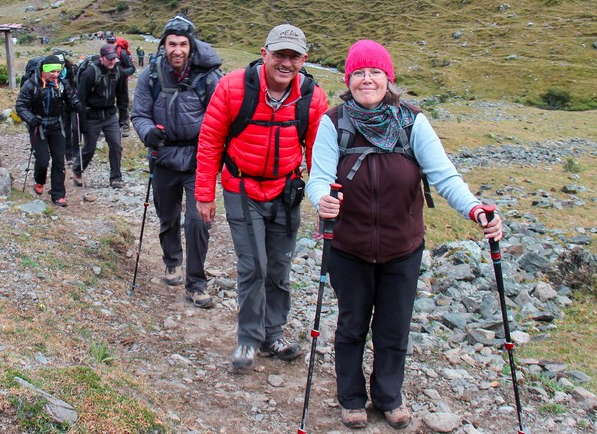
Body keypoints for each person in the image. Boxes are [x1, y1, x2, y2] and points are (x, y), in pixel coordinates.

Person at [305, 40, 503, 430]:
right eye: (359, 72)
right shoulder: (334, 123)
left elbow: (445, 176)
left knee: (394, 326)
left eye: (374, 72)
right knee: (351, 324)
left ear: (388, 78)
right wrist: (323, 201)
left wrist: (475, 209)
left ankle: (389, 395)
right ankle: (351, 397)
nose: (367, 79)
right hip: (348, 246)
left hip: (402, 247)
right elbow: (319, 179)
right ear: (348, 80)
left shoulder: (413, 122)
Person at [195, 24, 329, 373]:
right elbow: (210, 142)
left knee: (280, 267)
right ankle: (248, 339)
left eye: (294, 56)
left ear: (304, 59)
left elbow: (320, 156)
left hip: (285, 192)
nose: (286, 63)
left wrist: (324, 204)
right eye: (280, 54)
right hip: (241, 189)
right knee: (254, 265)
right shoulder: (233, 87)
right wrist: (205, 195)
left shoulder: (313, 97)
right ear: (264, 53)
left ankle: (273, 335)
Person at [131, 15, 223, 308]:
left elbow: (221, 117)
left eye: (183, 44)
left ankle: (196, 284)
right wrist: (148, 134)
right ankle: (172, 260)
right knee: (167, 215)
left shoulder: (208, 76)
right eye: (172, 44)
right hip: (163, 157)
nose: (177, 50)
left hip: (200, 159)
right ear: (164, 45)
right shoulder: (151, 75)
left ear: (191, 45)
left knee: (198, 222)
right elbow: (139, 113)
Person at [15, 55, 82, 206]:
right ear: (43, 70)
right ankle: (39, 180)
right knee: (43, 160)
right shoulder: (31, 84)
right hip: (38, 127)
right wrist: (31, 119)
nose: (55, 75)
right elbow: (20, 106)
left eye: (58, 72)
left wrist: (76, 105)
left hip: (57, 126)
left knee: (59, 161)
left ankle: (58, 194)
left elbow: (71, 100)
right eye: (52, 71)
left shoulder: (62, 84)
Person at [73, 44, 128, 189]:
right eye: (109, 59)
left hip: (110, 114)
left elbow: (123, 96)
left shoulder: (118, 72)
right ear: (102, 58)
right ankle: (77, 170)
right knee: (90, 147)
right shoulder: (90, 73)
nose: (112, 62)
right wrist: (82, 122)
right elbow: (80, 99)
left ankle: (115, 177)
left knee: (116, 145)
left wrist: (123, 117)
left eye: (114, 59)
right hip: (92, 115)